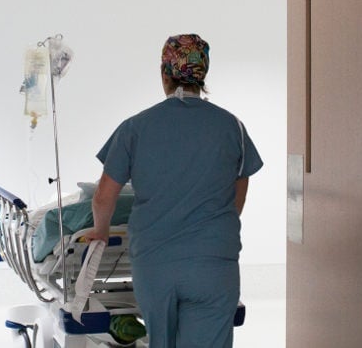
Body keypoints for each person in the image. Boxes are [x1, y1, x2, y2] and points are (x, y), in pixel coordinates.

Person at [83, 34, 263, 347]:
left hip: (155, 265)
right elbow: (239, 193)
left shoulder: (135, 128)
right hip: (213, 265)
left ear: (165, 73)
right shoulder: (232, 127)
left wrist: (100, 230)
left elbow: (103, 195)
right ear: (202, 74)